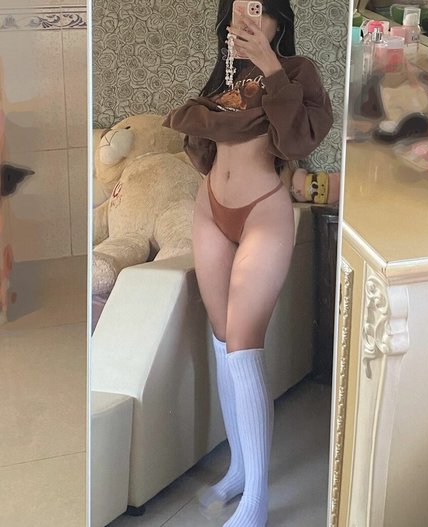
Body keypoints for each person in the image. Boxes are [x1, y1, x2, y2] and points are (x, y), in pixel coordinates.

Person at [163, 1, 333, 525]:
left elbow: (299, 138)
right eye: (237, 11)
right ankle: (239, 469)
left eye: (257, 10)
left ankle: (256, 501)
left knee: (242, 348)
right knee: (221, 343)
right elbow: (204, 142)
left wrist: (271, 66)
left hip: (263, 210)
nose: (247, 21)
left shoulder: (298, 70)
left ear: (279, 17)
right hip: (209, 208)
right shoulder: (226, 70)